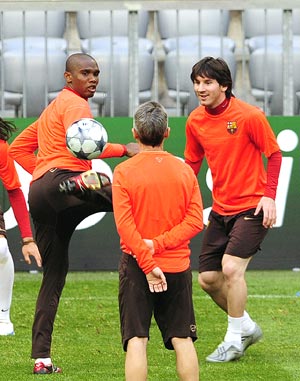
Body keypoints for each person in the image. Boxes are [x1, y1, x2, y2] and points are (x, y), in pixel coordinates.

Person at [9, 53, 139, 375]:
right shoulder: (76, 104)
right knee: (126, 195)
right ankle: (80, 183)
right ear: (68, 78)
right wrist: (125, 149)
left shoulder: (51, 110)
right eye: (85, 73)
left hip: (42, 193)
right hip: (63, 182)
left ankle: (42, 359)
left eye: (96, 73)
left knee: (53, 278)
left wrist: (41, 172)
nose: (93, 78)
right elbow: (86, 145)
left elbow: (15, 149)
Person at [184, 56, 282, 363]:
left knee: (230, 269)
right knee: (208, 279)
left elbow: (275, 155)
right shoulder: (195, 121)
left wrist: (269, 196)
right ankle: (247, 326)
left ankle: (233, 339)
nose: (201, 88)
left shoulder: (249, 116)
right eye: (197, 82)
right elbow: (191, 165)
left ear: (224, 85)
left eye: (208, 82)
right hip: (221, 209)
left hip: (252, 206)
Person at [112, 101, 204, 381]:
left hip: (138, 267)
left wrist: (148, 259)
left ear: (135, 133)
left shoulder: (124, 172)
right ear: (167, 132)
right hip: (176, 267)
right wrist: (160, 245)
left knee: (137, 340)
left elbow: (125, 228)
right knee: (182, 339)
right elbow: (195, 220)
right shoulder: (184, 171)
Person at [0, 118, 41, 336]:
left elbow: (14, 190)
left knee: (1, 250)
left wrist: (27, 238)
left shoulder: (1, 148)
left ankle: (3, 318)